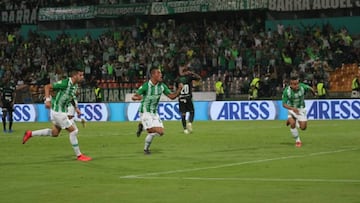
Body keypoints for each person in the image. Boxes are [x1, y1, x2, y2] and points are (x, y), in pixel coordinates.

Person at [22, 68, 92, 162]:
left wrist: (76, 108)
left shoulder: (75, 86)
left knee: (54, 133)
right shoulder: (65, 83)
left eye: (82, 75)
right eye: (80, 75)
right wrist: (47, 100)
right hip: (58, 112)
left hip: (58, 111)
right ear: (74, 75)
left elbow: (70, 97)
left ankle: (30, 134)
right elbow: (47, 87)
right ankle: (79, 155)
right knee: (74, 131)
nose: (82, 77)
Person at [132, 67, 182, 155]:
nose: (161, 75)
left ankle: (144, 135)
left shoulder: (162, 86)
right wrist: (138, 97)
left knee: (161, 132)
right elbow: (134, 96)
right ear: (153, 75)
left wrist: (179, 89)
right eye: (158, 73)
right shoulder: (146, 86)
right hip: (145, 112)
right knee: (152, 130)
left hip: (154, 112)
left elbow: (172, 96)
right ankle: (145, 140)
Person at [282, 76, 316, 148]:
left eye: (297, 83)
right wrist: (292, 109)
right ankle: (298, 141)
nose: (297, 85)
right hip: (291, 109)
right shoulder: (286, 91)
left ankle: (291, 119)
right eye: (294, 84)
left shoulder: (302, 87)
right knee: (293, 123)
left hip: (301, 109)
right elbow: (284, 104)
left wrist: (314, 93)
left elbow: (309, 88)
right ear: (290, 84)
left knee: (303, 128)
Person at [175, 66, 201, 134]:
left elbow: (176, 88)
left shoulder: (178, 79)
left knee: (183, 114)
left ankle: (185, 129)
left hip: (181, 98)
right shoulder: (189, 77)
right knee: (192, 111)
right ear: (186, 72)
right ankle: (189, 122)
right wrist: (192, 73)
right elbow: (199, 78)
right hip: (188, 97)